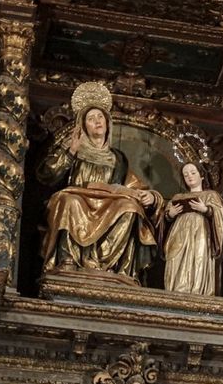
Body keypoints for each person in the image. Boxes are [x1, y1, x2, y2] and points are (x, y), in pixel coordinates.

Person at [38, 82, 162, 282]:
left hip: (108, 202)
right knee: (70, 201)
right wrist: (70, 151)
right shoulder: (74, 150)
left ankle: (110, 264)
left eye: (100, 117)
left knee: (130, 207)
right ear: (83, 126)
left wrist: (151, 197)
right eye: (90, 118)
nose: (97, 121)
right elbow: (46, 175)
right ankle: (69, 259)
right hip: (79, 198)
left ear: (107, 122)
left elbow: (134, 187)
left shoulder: (117, 158)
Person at [162, 161, 223, 296]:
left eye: (193, 173)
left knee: (198, 259)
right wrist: (170, 214)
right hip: (178, 235)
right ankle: (175, 291)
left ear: (201, 175)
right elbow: (163, 223)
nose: (189, 176)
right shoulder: (177, 197)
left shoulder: (211, 195)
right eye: (185, 175)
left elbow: (219, 217)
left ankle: (197, 292)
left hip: (200, 233)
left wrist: (206, 210)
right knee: (177, 261)